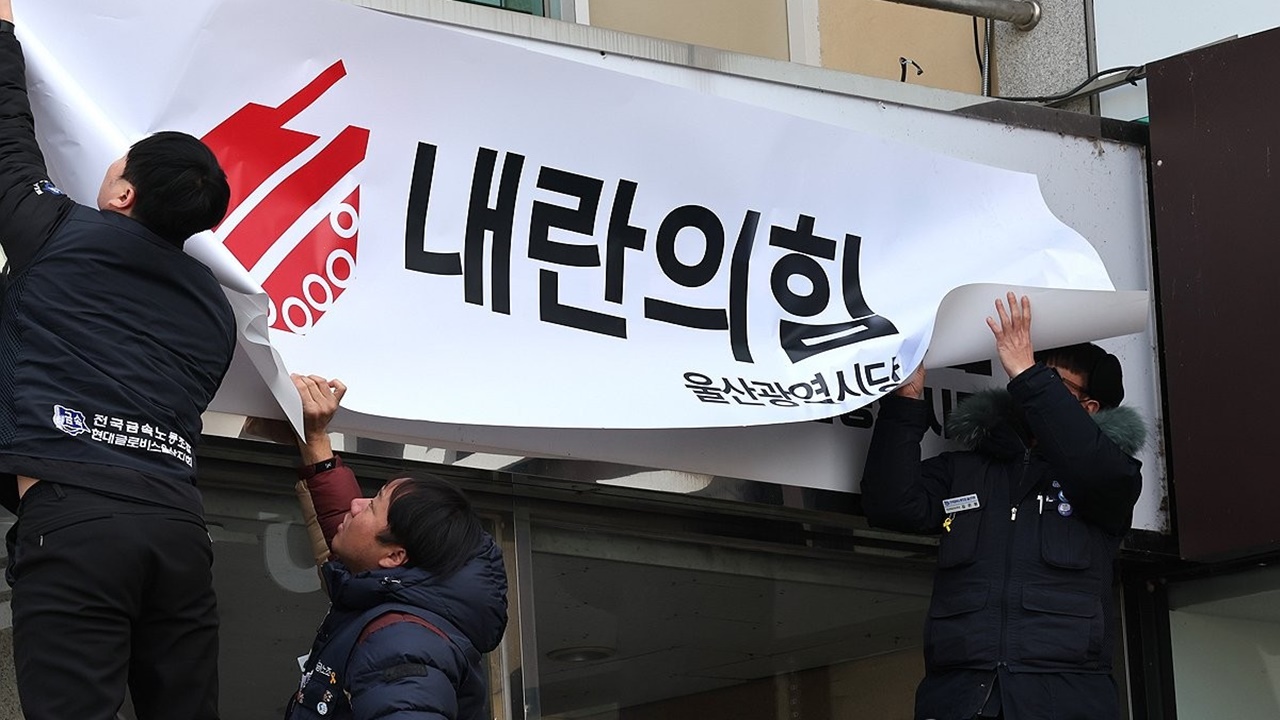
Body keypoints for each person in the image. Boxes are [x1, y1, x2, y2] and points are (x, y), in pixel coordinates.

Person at [0, 3, 236, 718]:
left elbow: (8, 136)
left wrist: (3, 33)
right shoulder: (217, 310)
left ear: (123, 193)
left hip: (76, 520)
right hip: (177, 528)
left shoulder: (56, 232)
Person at [860, 293, 1146, 720]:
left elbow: (1095, 467)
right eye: (1029, 375)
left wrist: (1028, 374)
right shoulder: (970, 469)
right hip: (960, 698)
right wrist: (905, 402)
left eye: (1052, 384)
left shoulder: (1110, 478)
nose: (1028, 387)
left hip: (1063, 701)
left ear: (1089, 408)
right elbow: (891, 504)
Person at [285, 373, 509, 720]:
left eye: (373, 505)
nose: (356, 505)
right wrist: (315, 442)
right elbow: (346, 546)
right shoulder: (400, 602)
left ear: (394, 557)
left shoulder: (403, 644)